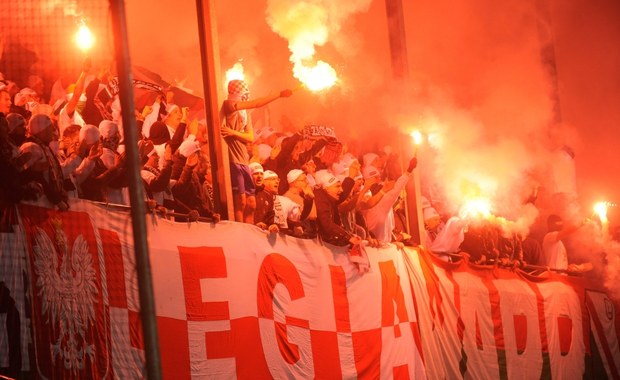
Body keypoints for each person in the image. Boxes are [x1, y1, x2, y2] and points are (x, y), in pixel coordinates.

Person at [220, 79, 293, 222]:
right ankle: (239, 230)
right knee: (240, 201)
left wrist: (233, 132)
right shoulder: (229, 104)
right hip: (233, 160)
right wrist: (278, 94)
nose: (247, 97)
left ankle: (250, 231)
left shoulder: (246, 114)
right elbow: (256, 103)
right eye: (245, 94)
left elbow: (250, 136)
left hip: (244, 162)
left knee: (251, 203)